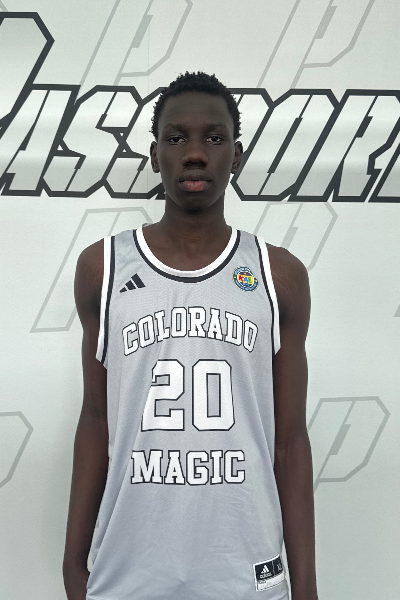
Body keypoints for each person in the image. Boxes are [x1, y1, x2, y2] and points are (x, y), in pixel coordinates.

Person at [63, 71, 318, 600]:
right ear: (155, 156)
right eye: (176, 138)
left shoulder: (278, 275)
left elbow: (291, 441)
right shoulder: (103, 267)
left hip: (246, 572)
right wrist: (72, 564)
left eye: (214, 138)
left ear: (237, 156)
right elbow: (95, 420)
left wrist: (306, 586)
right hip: (128, 571)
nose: (196, 154)